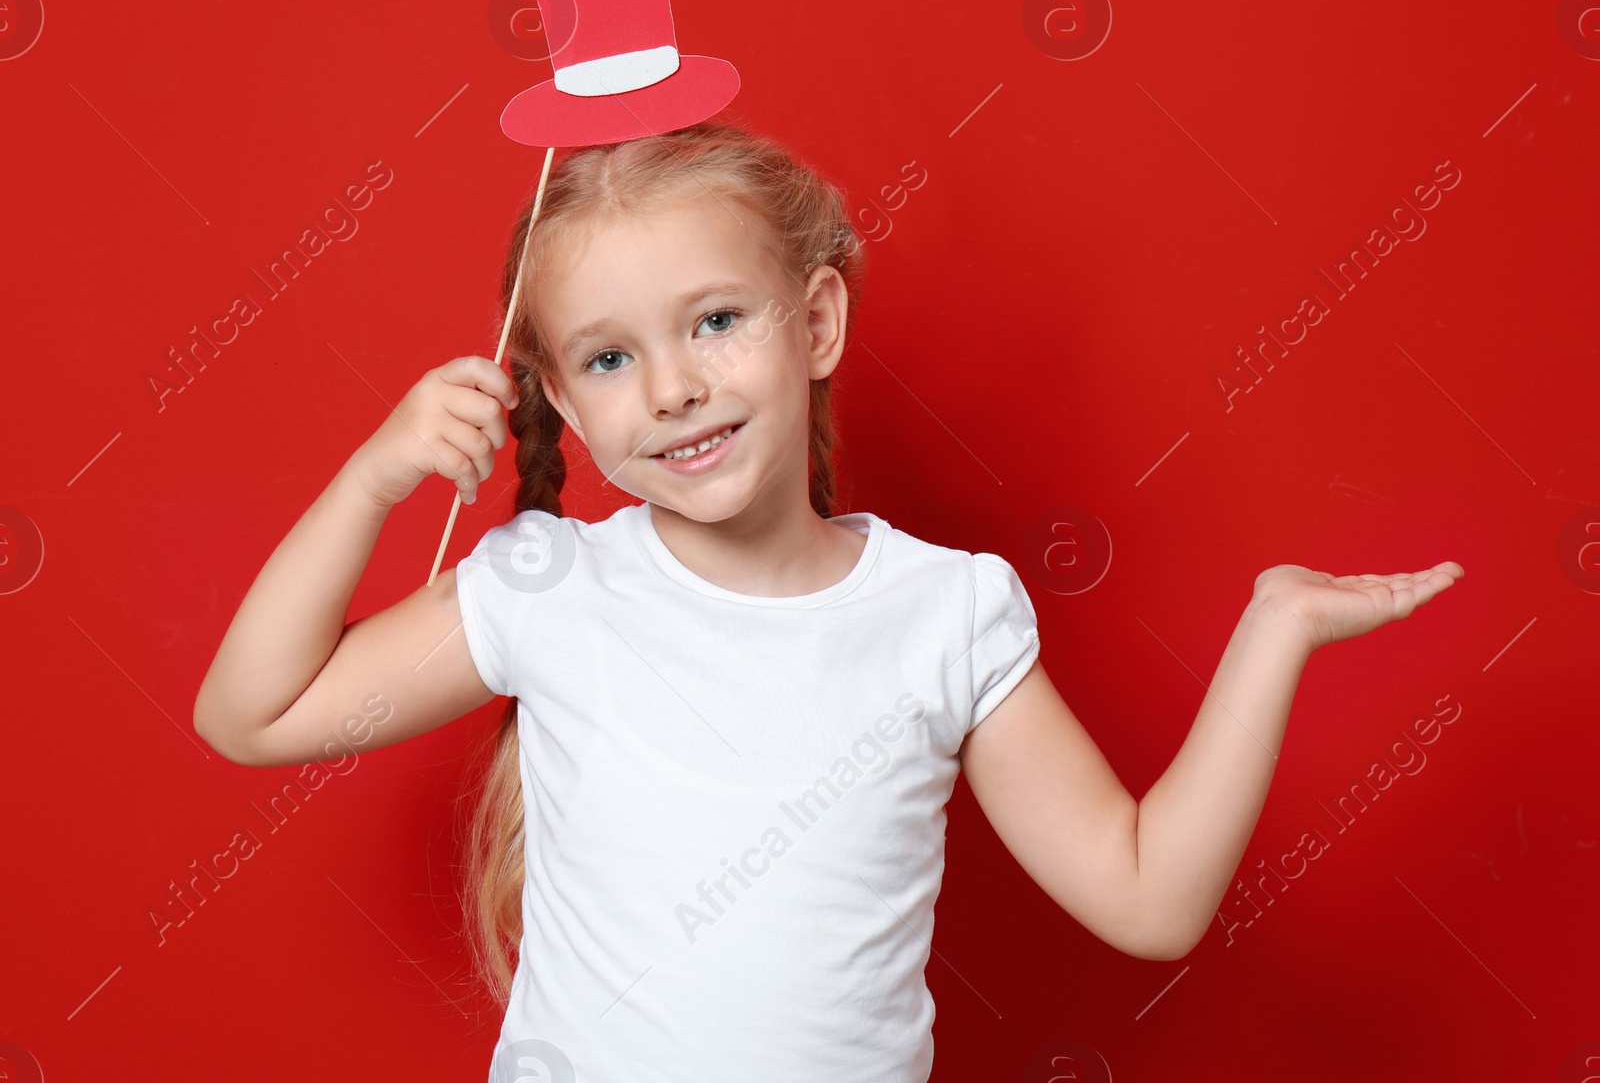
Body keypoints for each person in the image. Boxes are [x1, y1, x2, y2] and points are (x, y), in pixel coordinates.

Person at [192, 119, 1464, 1082]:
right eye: (612, 357)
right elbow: (254, 714)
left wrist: (1274, 630)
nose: (676, 387)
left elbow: (1147, 898)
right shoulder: (553, 588)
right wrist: (372, 481)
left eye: (717, 320)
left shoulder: (948, 615)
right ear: (564, 403)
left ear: (817, 320)